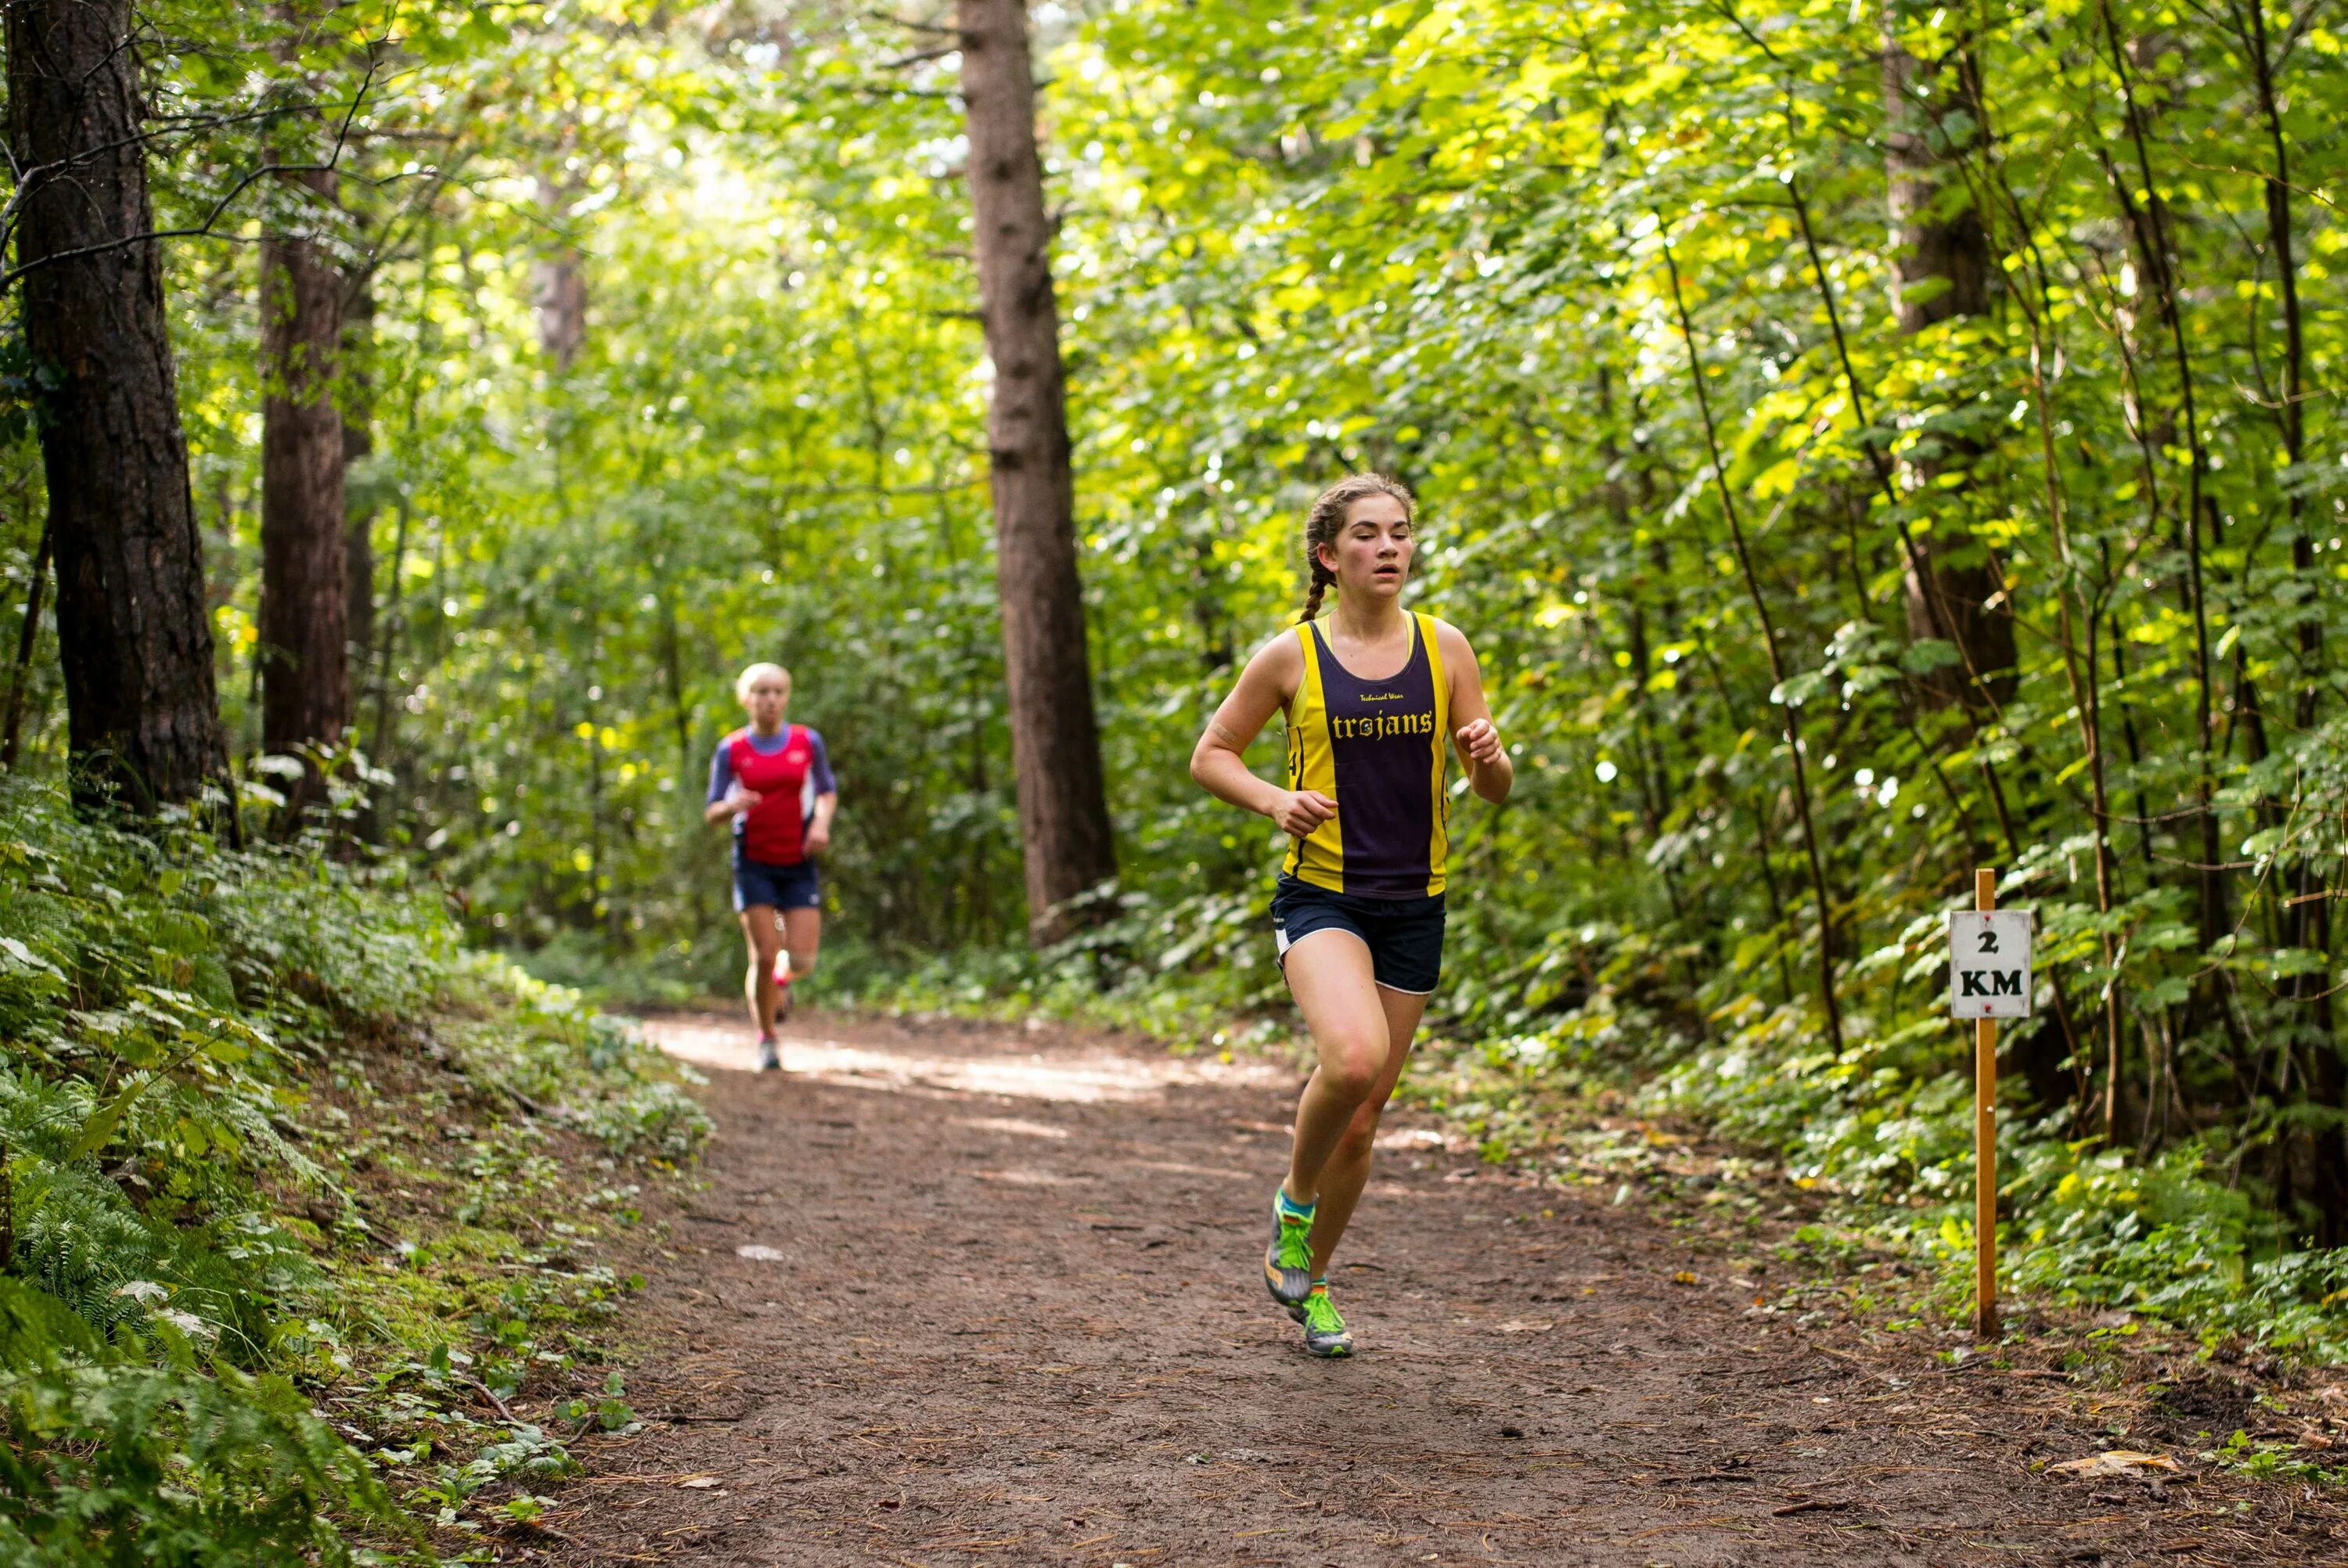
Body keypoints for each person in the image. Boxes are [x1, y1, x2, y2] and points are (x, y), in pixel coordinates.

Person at [1190, 474, 1512, 1357]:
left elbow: (1492, 788)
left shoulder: (1445, 647)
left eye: (1401, 533)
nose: (1389, 548)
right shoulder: (1291, 655)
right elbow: (1212, 755)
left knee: (1366, 1116)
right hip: (1323, 896)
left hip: (1417, 903)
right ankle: (1294, 1202)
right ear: (1331, 557)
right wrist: (1272, 801)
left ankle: (1314, 1279)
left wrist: (1489, 757)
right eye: (1368, 535)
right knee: (1355, 1057)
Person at [705, 663, 837, 1071]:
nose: (770, 700)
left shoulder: (806, 741)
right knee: (764, 954)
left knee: (800, 961)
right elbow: (711, 812)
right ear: (746, 699)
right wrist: (731, 805)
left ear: (787, 697)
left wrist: (819, 824)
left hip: (797, 860)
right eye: (761, 692)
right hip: (753, 861)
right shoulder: (732, 749)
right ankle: (767, 1040)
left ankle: (782, 983)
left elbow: (827, 791)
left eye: (778, 692)